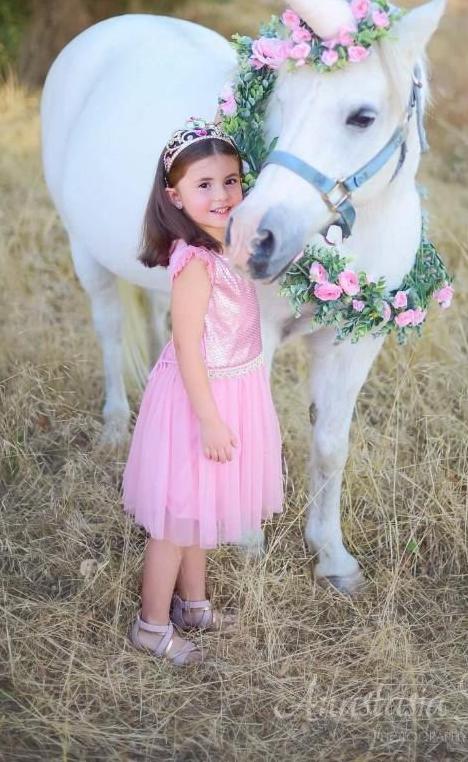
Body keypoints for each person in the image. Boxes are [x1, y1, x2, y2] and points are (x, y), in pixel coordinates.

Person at [122, 116, 285, 666]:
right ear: (175, 195)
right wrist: (211, 419)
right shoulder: (193, 260)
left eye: (231, 181)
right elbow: (188, 347)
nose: (221, 195)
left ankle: (194, 605)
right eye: (204, 185)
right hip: (198, 396)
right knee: (175, 516)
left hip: (233, 384)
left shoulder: (229, 242)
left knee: (199, 506)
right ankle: (150, 625)